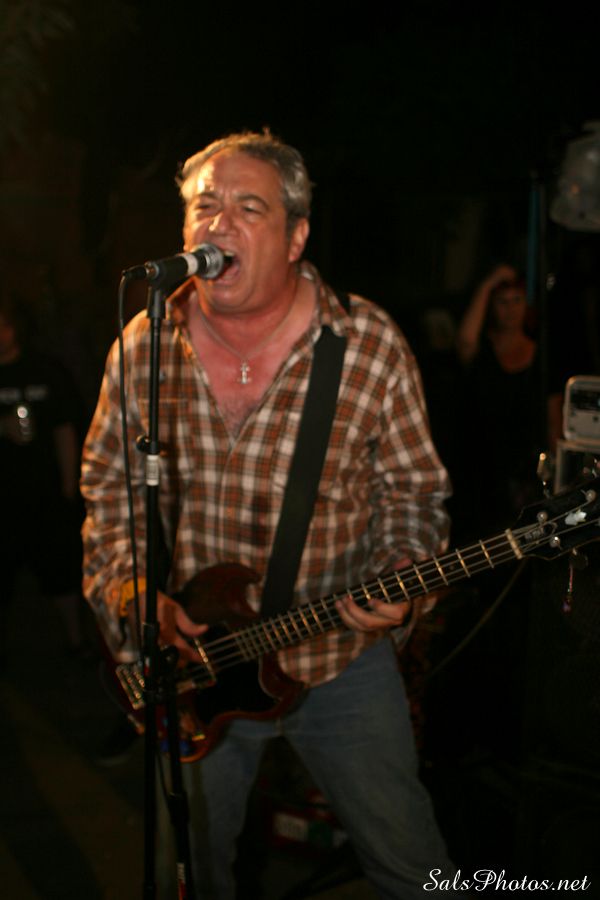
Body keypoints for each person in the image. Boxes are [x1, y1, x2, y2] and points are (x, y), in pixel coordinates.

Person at [81, 131, 457, 898]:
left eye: (248, 208)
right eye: (204, 207)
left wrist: (402, 570)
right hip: (200, 665)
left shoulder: (367, 346)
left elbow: (415, 495)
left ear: (295, 237)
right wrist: (133, 593)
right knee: (191, 874)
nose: (218, 224)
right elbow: (107, 488)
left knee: (413, 871)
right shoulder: (146, 344)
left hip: (338, 658)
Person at [0, 290, 85, 666]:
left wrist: (69, 487)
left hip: (44, 493)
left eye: (4, 326)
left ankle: (76, 641)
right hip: (3, 496)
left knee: (60, 571)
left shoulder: (45, 371)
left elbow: (65, 428)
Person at [454, 264, 543, 536]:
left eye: (517, 300)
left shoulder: (540, 354)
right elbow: (465, 341)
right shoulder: (482, 351)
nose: (510, 309)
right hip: (481, 471)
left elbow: (552, 415)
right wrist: (487, 284)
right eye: (502, 302)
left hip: (525, 472)